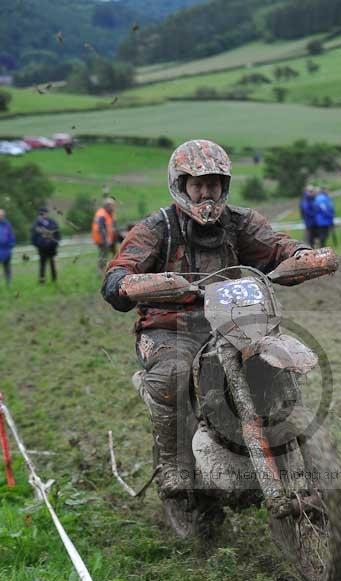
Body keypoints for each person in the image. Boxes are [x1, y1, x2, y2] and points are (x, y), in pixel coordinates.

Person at [101, 139, 321, 501]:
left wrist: (302, 255)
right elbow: (119, 273)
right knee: (174, 373)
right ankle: (174, 462)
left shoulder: (240, 222)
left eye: (213, 184)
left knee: (272, 364)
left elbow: (275, 245)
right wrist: (129, 282)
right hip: (172, 326)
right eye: (197, 184)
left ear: (224, 186)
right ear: (181, 185)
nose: (206, 193)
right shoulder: (158, 227)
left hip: (235, 319)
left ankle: (293, 442)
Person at [31, 207, 61, 284]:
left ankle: (54, 280)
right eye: (42, 214)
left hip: (51, 248)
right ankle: (42, 281)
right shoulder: (36, 224)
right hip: (42, 249)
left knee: (52, 264)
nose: (44, 215)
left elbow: (57, 234)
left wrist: (55, 243)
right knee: (42, 265)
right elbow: (33, 237)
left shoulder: (52, 223)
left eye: (45, 213)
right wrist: (38, 245)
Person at [92, 197, 118, 273]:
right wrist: (106, 241)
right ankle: (101, 271)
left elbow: (113, 226)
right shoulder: (102, 214)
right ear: (107, 206)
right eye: (112, 206)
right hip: (102, 239)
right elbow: (101, 229)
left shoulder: (109, 213)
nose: (113, 207)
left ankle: (111, 269)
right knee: (103, 255)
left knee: (111, 254)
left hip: (108, 238)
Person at [0, 209, 16, 287]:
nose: (1, 217)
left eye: (2, 215)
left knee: (7, 268)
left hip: (6, 251)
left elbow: (12, 236)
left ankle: (8, 284)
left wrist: (10, 245)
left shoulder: (7, 224)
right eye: (0, 215)